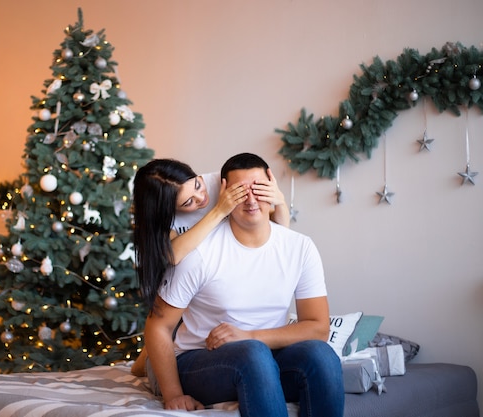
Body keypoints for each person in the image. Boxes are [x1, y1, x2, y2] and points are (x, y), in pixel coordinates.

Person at [143, 153, 344, 416]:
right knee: (253, 355)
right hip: (201, 360)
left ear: (271, 185)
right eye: (240, 192)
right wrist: (174, 395)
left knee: (322, 356)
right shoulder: (199, 253)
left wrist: (249, 336)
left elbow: (318, 328)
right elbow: (158, 324)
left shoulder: (301, 247)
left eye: (258, 189)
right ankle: (145, 364)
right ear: (224, 192)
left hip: (263, 357)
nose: (250, 199)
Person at [131, 157, 290, 375]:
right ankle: (148, 358)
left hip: (226, 269)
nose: (201, 197)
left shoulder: (222, 182)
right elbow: (174, 255)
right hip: (191, 278)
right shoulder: (164, 218)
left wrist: (279, 201)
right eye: (189, 203)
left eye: (198, 185)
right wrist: (219, 210)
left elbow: (280, 228)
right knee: (167, 320)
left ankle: (148, 356)